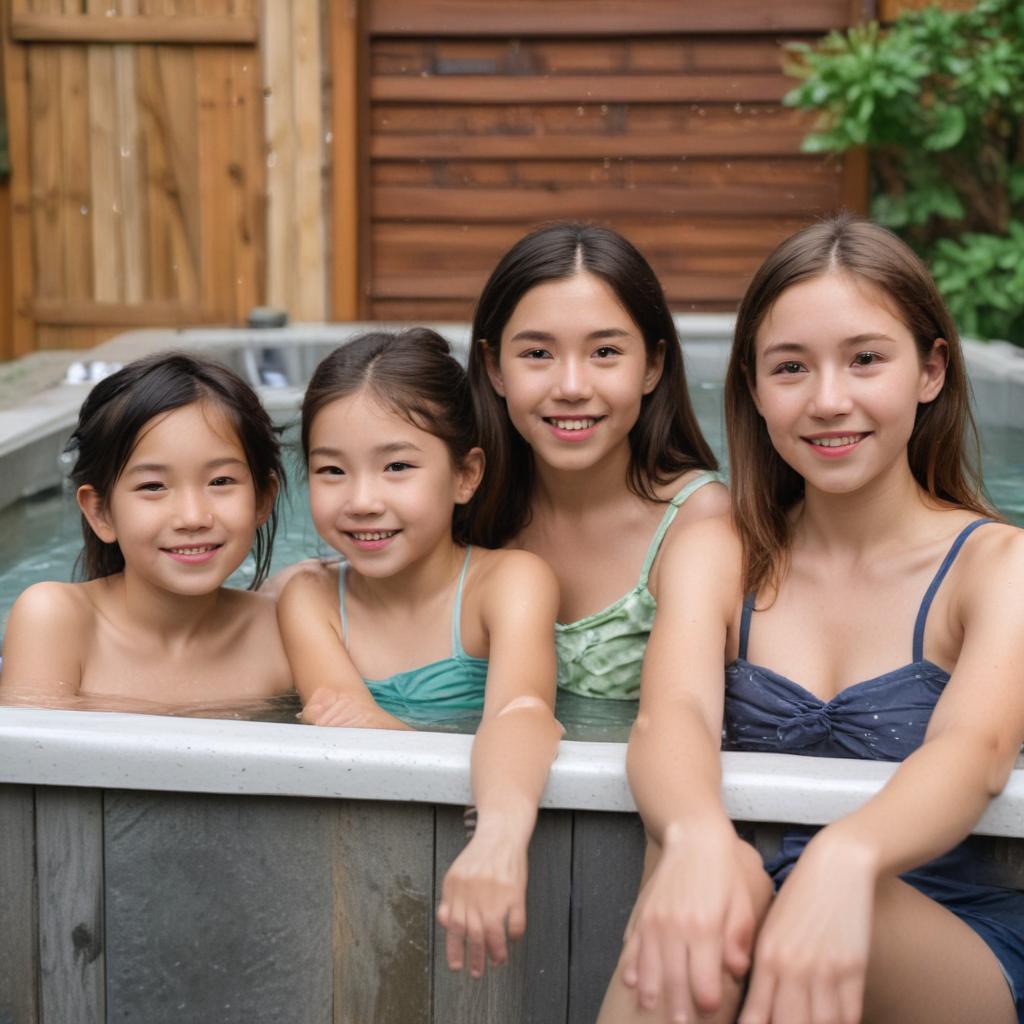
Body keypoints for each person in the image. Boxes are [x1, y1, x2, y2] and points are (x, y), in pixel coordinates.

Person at [600, 214, 1024, 1024]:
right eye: (791, 368)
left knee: (750, 896)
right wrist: (693, 837)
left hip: (953, 948)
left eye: (866, 359)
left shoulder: (998, 566)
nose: (830, 402)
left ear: (931, 370)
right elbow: (673, 716)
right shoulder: (719, 549)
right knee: (715, 884)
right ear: (754, 390)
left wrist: (844, 857)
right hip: (746, 906)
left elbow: (976, 752)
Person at [275, 328, 562, 977]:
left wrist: (498, 829)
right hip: (362, 873)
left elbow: (521, 709)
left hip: (499, 852)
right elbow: (337, 721)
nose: (362, 499)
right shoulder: (311, 599)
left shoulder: (508, 582)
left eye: (397, 466)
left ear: (466, 475)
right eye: (331, 471)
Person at [467, 222, 729, 703]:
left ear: (652, 366)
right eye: (538, 353)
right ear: (494, 368)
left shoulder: (698, 522)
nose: (571, 387)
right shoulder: (464, 508)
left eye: (605, 352)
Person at [0, 352, 291, 709]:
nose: (192, 517)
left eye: (220, 480)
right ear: (101, 512)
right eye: (153, 486)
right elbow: (33, 762)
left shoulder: (285, 632)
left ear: (262, 500)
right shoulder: (58, 621)